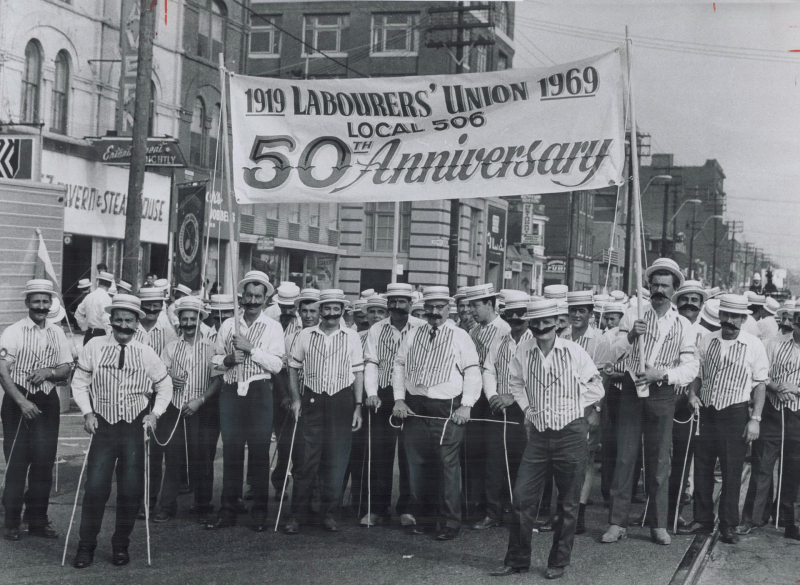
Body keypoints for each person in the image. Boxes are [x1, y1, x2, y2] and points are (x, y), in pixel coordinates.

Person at [491, 299, 603, 580]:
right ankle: (517, 559)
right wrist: (528, 409)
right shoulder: (524, 350)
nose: (541, 327)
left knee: (567, 503)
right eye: (536, 322)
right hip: (539, 437)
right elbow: (515, 382)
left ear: (557, 322)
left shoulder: (574, 351)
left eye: (547, 322)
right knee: (521, 499)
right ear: (530, 324)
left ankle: (559, 561)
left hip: (571, 434)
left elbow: (597, 386)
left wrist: (574, 408)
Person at [70, 294, 172, 568]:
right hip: (103, 424)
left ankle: (120, 545)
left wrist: (155, 414)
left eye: (129, 320)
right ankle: (86, 546)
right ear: (111, 321)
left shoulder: (146, 352)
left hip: (134, 427)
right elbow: (79, 383)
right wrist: (87, 413)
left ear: (137, 322)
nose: (124, 325)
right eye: (119, 320)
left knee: (130, 489)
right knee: (95, 488)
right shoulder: (94, 346)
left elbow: (165, 386)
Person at [602, 258, 699, 546]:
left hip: (662, 394)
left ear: (675, 289)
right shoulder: (633, 314)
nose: (659, 290)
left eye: (665, 285)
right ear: (648, 286)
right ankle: (617, 522)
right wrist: (631, 336)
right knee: (625, 457)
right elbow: (611, 354)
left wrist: (662, 374)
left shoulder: (683, 324)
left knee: (659, 461)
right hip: (632, 391)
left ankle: (658, 524)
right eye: (655, 284)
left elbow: (691, 368)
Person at [392, 285, 481, 541]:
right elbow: (398, 366)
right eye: (429, 307)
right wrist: (399, 399)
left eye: (439, 307)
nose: (434, 312)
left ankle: (450, 521)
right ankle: (425, 517)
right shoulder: (413, 334)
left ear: (448, 308)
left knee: (447, 464)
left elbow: (473, 370)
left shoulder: (459, 335)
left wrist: (467, 404)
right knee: (417, 463)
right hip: (415, 405)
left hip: (447, 406)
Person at [680, 294, 768, 544]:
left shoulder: (753, 344)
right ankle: (703, 519)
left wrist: (755, 419)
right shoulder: (707, 340)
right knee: (704, 468)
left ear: (743, 318)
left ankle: (728, 524)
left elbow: (760, 384)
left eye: (735, 317)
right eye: (725, 315)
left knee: (731, 471)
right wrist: (692, 394)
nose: (729, 321)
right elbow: (698, 374)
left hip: (735, 413)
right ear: (719, 316)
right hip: (707, 411)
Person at [206, 271, 285, 532]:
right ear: (241, 297)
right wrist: (227, 360)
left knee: (260, 453)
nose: (252, 301)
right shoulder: (229, 325)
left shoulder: (273, 327)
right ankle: (228, 508)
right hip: (230, 392)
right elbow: (214, 360)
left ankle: (259, 511)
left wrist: (252, 349)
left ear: (266, 299)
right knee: (232, 451)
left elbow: (276, 364)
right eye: (248, 295)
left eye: (258, 296)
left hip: (259, 391)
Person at [284, 290, 364, 534]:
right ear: (320, 310)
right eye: (326, 308)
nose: (330, 313)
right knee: (306, 460)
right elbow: (293, 368)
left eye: (335, 308)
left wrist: (358, 406)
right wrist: (296, 398)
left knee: (336, 460)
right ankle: (297, 515)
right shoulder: (305, 335)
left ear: (342, 309)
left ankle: (330, 515)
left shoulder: (352, 337)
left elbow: (358, 372)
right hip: (312, 400)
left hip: (342, 401)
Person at [0, 280, 72, 541]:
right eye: (36, 301)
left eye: (45, 301)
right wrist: (21, 401)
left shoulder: (57, 332)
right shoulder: (14, 331)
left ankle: (37, 520)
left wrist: (49, 372)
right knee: (18, 462)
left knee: (43, 463)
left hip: (47, 402)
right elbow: (2, 369)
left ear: (51, 303)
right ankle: (11, 521)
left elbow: (66, 367)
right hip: (17, 402)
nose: (41, 306)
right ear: (27, 302)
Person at [362, 284, 425, 527]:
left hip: (412, 394)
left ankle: (408, 508)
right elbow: (371, 363)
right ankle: (378, 508)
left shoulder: (420, 327)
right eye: (393, 301)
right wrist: (371, 393)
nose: (397, 306)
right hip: (383, 394)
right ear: (387, 303)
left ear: (410, 303)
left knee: (410, 453)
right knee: (380, 453)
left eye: (403, 301)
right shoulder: (377, 329)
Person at [156, 297, 222, 523]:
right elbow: (160, 376)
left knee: (201, 457)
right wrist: (169, 379)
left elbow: (218, 380)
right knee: (173, 457)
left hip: (202, 409)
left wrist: (200, 400)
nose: (188, 322)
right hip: (175, 408)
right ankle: (167, 506)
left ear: (200, 319)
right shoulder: (171, 347)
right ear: (179, 321)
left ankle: (203, 505)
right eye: (184, 319)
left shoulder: (212, 347)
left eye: (193, 318)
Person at [739, 307, 800, 539]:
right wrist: (777, 387)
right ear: (794, 322)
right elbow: (760, 375)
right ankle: (752, 518)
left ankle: (790, 521)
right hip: (773, 413)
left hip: (798, 415)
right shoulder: (773, 344)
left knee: (796, 470)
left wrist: (796, 389)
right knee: (762, 466)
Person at [473, 291, 531, 531]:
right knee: (494, 461)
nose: (516, 318)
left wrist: (513, 398)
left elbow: (537, 379)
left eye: (521, 314)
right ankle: (493, 512)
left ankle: (519, 512)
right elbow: (488, 370)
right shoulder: (500, 338)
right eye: (511, 314)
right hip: (498, 409)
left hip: (525, 410)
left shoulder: (536, 340)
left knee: (523, 461)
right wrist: (493, 395)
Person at [559, 290, 610, 535]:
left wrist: (597, 409)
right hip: (564, 405)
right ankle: (562, 511)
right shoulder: (562, 335)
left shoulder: (600, 340)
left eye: (582, 311)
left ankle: (578, 514)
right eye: (573, 310)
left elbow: (604, 378)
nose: (576, 315)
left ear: (591, 314)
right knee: (563, 458)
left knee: (586, 459)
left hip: (589, 405)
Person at [134, 288, 179, 518]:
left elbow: (172, 364)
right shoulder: (132, 328)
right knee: (143, 452)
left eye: (156, 305)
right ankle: (145, 501)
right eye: (147, 305)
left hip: (162, 398)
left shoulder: (169, 332)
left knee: (164, 447)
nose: (152, 310)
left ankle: (166, 502)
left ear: (162, 306)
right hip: (138, 396)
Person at [668, 281, 709, 528]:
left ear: (702, 305)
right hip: (662, 399)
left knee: (681, 461)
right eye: (684, 299)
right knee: (656, 459)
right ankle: (653, 511)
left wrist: (691, 395)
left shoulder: (704, 336)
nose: (689, 304)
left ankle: (674, 512)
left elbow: (703, 372)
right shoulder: (668, 328)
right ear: (676, 302)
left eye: (694, 300)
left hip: (687, 403)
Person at [75, 271, 114, 345]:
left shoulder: (89, 296)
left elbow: (78, 313)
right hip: (101, 335)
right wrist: (109, 336)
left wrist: (84, 327)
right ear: (110, 285)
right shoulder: (106, 298)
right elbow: (106, 318)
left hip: (89, 334)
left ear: (98, 282)